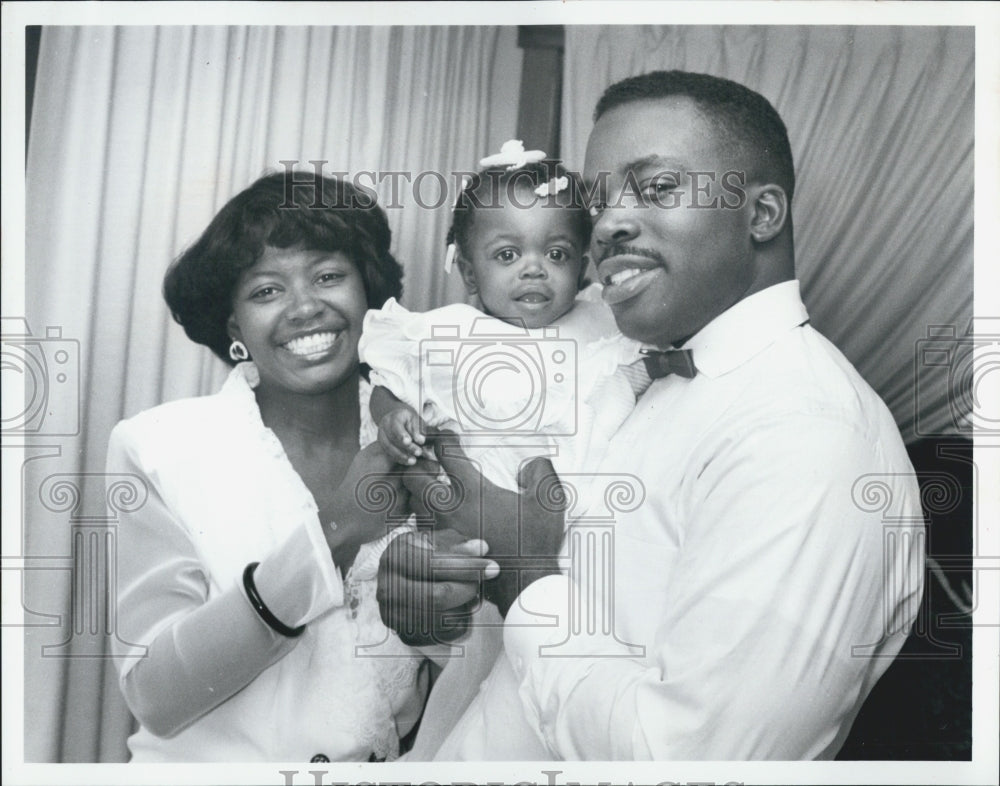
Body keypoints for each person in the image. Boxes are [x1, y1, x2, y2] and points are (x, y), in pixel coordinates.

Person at [379, 70, 926, 760]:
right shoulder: (636, 380)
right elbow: (569, 623)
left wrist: (521, 575)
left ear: (761, 215)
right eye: (599, 201)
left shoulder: (805, 434)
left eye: (658, 188)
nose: (608, 224)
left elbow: (691, 761)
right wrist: (441, 603)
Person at [106, 172, 432, 762]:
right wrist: (331, 535)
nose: (306, 307)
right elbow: (151, 693)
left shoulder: (425, 433)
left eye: (329, 276)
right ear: (234, 328)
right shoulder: (159, 447)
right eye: (265, 291)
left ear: (369, 294)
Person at [359, 147, 647, 757]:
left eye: (558, 253)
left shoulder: (602, 326)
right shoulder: (448, 333)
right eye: (508, 255)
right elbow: (388, 383)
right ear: (468, 271)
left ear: (587, 265)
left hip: (579, 535)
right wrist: (395, 419)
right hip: (480, 540)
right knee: (484, 689)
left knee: (580, 668)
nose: (535, 270)